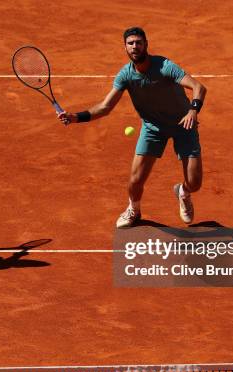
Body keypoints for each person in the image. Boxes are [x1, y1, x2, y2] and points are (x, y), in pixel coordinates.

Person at [58, 27, 207, 228]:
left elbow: (198, 87)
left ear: (146, 44)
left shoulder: (165, 66)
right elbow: (105, 107)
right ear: (125, 48)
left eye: (138, 42)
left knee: (195, 183)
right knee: (135, 180)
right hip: (153, 128)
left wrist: (193, 110)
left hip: (183, 124)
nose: (134, 46)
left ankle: (183, 192)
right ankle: (134, 210)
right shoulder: (125, 75)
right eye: (130, 43)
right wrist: (76, 117)